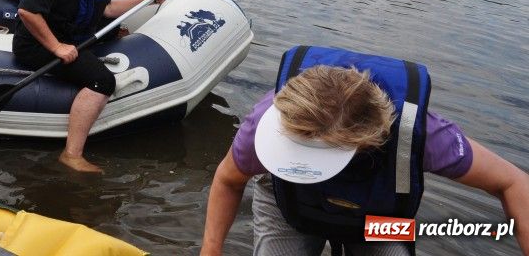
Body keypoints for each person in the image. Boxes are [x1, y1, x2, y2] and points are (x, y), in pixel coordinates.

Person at [200, 45, 529, 255]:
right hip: (285, 194)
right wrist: (211, 250)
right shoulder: (267, 122)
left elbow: (513, 182)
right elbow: (229, 180)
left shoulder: (419, 133)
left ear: (367, 141)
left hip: (378, 203)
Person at [13, 0, 166, 173]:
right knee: (102, 81)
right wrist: (57, 47)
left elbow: (106, 8)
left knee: (111, 32)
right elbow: (28, 11)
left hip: (68, 36)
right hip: (36, 45)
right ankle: (71, 154)